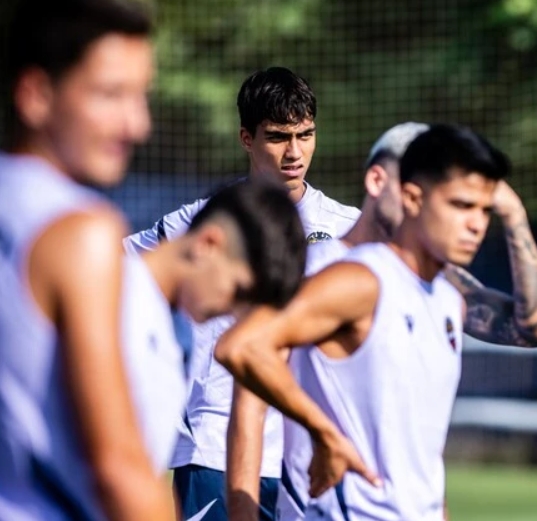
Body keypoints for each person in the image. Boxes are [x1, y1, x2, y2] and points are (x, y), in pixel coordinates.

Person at [224, 122, 537, 520]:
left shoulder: (447, 299)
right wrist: (326, 433)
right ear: (412, 197)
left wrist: (514, 211)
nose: (476, 223)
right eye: (460, 205)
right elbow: (242, 348)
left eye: (484, 209)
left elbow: (419, 453)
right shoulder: (359, 278)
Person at [124, 67, 360, 521]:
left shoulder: (349, 229)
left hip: (307, 455)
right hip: (213, 449)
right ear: (246, 139)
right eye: (277, 137)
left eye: (305, 135)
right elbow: (109, 273)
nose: (295, 152)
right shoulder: (202, 222)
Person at [0, 0, 168, 520]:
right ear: (36, 95)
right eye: (110, 94)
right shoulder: (83, 232)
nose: (137, 124)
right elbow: (117, 467)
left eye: (140, 95)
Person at [123, 179, 308, 475]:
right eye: (238, 291)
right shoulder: (108, 301)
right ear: (208, 243)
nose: (234, 315)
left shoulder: (173, 337)